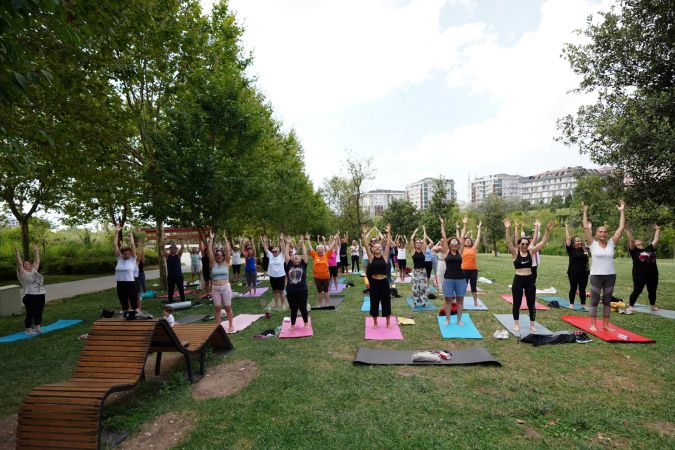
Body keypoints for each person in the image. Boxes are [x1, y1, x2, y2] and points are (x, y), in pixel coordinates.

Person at [504, 218, 555, 333]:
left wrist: (547, 231)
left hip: (529, 280)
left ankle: (532, 325)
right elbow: (508, 242)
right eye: (522, 244)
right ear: (519, 244)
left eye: (526, 244)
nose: (525, 245)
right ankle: (516, 323)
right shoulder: (515, 253)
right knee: (516, 303)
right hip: (518, 280)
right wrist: (507, 229)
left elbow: (542, 242)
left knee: (531, 303)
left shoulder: (531, 252)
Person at [582, 201, 625, 331]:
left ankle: (606, 325)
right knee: (594, 300)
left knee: (607, 301)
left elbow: (621, 228)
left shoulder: (611, 243)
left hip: (610, 276)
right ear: (596, 233)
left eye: (605, 232)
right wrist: (584, 211)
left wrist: (622, 211)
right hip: (596, 276)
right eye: (600, 232)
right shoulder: (592, 244)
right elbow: (585, 227)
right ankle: (593, 324)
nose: (603, 233)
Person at [362, 223, 393, 328]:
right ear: (373, 249)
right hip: (374, 282)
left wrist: (388, 232)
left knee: (386, 301)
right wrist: (365, 235)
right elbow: (366, 245)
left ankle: (388, 322)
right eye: (376, 247)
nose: (378, 248)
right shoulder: (371, 257)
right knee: (374, 302)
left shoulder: (385, 256)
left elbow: (388, 244)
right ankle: (375, 322)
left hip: (384, 282)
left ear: (382, 249)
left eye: (379, 247)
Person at [438, 217, 467, 326]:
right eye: (453, 243)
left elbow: (462, 237)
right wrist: (442, 224)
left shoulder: (460, 251)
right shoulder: (446, 252)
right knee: (448, 300)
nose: (455, 244)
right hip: (448, 279)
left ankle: (459, 320)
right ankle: (448, 319)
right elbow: (444, 237)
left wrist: (464, 225)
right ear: (449, 245)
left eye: (456, 243)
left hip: (460, 279)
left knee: (460, 300)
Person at [626, 225, 660, 313]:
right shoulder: (634, 251)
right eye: (636, 240)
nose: (638, 240)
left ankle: (653, 305)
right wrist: (627, 228)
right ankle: (631, 305)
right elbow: (630, 239)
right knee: (637, 290)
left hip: (653, 274)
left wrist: (658, 229)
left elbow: (656, 239)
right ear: (635, 243)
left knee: (652, 290)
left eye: (638, 240)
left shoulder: (649, 248)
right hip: (639, 275)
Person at [15, 244, 46, 334]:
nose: (30, 265)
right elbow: (20, 264)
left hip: (41, 294)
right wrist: (17, 254)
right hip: (30, 296)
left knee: (39, 312)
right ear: (23, 268)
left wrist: (36, 250)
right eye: (27, 264)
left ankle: (37, 327)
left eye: (29, 263)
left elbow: (37, 261)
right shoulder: (23, 274)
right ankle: (28, 329)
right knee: (30, 313)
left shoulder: (34, 271)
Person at [208, 231, 234, 331]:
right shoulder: (213, 263)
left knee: (228, 307)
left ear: (223, 256)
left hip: (225, 287)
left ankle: (231, 325)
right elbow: (210, 251)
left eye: (220, 255)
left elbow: (228, 250)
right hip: (215, 288)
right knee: (217, 308)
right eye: (217, 254)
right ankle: (218, 326)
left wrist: (225, 239)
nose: (219, 256)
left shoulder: (226, 263)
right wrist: (211, 239)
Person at [284, 234, 310, 330]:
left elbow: (304, 253)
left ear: (301, 259)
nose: (296, 257)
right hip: (291, 291)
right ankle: (292, 325)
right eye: (294, 256)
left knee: (303, 307)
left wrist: (302, 243)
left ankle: (306, 323)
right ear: (291, 258)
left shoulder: (304, 264)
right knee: (293, 308)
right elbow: (286, 254)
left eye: (298, 256)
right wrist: (288, 243)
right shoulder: (288, 264)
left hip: (302, 290)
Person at [113, 224, 139, 313]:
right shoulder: (119, 258)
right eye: (125, 254)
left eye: (128, 254)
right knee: (124, 304)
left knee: (134, 303)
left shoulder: (132, 259)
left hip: (130, 283)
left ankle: (137, 317)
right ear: (122, 253)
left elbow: (132, 245)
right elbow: (115, 245)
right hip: (120, 284)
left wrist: (130, 234)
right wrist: (117, 232)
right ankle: (125, 318)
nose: (127, 255)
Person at [565, 222, 589, 310]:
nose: (579, 242)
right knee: (573, 288)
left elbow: (590, 240)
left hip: (584, 273)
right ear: (573, 243)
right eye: (577, 241)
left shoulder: (585, 249)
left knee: (583, 289)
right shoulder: (571, 249)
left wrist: (589, 229)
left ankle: (583, 304)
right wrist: (567, 228)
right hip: (573, 272)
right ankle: (571, 304)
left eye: (580, 241)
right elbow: (568, 238)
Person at [307, 234, 335, 307]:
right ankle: (319, 304)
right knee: (319, 292)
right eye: (318, 249)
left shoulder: (326, 255)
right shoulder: (314, 255)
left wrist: (334, 240)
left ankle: (327, 304)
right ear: (316, 250)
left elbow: (331, 248)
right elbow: (310, 248)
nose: (320, 250)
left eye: (321, 248)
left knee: (326, 291)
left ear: (323, 250)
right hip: (317, 277)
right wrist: (308, 239)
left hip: (326, 276)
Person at [461, 217, 482, 307]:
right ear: (464, 242)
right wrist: (465, 224)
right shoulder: (461, 249)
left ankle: (475, 302)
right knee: (463, 287)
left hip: (473, 270)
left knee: (473, 287)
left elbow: (478, 238)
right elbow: (462, 237)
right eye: (467, 240)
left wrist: (479, 228)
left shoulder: (473, 248)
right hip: (464, 270)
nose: (468, 241)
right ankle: (460, 302)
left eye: (469, 240)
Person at [263, 234, 287, 309]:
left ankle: (282, 304)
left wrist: (282, 240)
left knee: (281, 292)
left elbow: (283, 247)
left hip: (281, 277)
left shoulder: (282, 256)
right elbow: (265, 249)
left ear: (279, 252)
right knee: (275, 292)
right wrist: (264, 241)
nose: (275, 253)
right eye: (273, 251)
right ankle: (276, 304)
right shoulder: (270, 255)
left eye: (276, 251)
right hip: (273, 277)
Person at [409, 228, 429, 308]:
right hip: (415, 272)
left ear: (421, 245)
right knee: (415, 287)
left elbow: (424, 239)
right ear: (415, 244)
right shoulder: (413, 251)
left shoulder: (423, 250)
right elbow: (411, 239)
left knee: (423, 287)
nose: (418, 244)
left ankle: (424, 302)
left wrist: (424, 230)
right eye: (416, 243)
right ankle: (414, 302)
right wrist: (415, 231)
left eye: (419, 243)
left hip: (423, 271)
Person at [162, 239, 185, 304]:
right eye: (172, 248)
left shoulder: (178, 255)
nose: (173, 249)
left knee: (181, 289)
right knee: (170, 290)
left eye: (175, 248)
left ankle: (183, 300)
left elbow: (182, 247)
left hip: (179, 276)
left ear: (176, 249)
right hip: (170, 277)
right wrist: (164, 241)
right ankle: (170, 301)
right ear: (170, 249)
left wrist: (181, 240)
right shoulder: (167, 256)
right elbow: (162, 248)